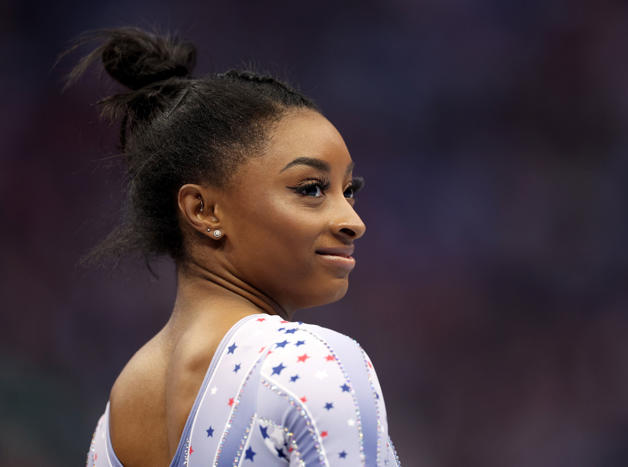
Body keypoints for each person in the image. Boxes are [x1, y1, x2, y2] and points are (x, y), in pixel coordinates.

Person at [64, 27, 400, 466]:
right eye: (311, 188)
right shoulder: (309, 365)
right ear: (203, 209)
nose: (352, 222)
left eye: (348, 189)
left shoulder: (117, 411)